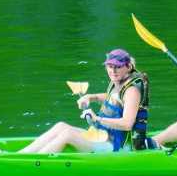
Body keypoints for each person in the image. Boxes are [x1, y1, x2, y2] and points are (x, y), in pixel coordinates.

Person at [19, 49, 152, 154]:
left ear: (128, 67)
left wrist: (97, 119)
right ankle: (21, 155)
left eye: (117, 67)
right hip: (104, 136)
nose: (112, 70)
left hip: (119, 147)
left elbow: (127, 124)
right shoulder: (118, 80)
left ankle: (34, 163)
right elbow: (114, 98)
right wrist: (91, 97)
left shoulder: (132, 91)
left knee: (68, 135)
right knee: (61, 126)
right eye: (109, 66)